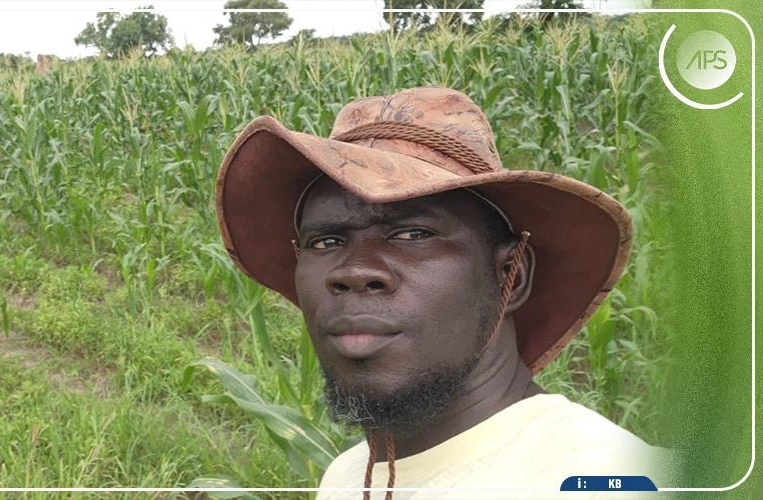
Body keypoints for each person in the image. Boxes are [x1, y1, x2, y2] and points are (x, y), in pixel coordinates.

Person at [214, 87, 671, 499]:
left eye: (413, 234)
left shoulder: (608, 476)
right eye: (326, 241)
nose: (354, 271)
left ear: (511, 272)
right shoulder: (349, 477)